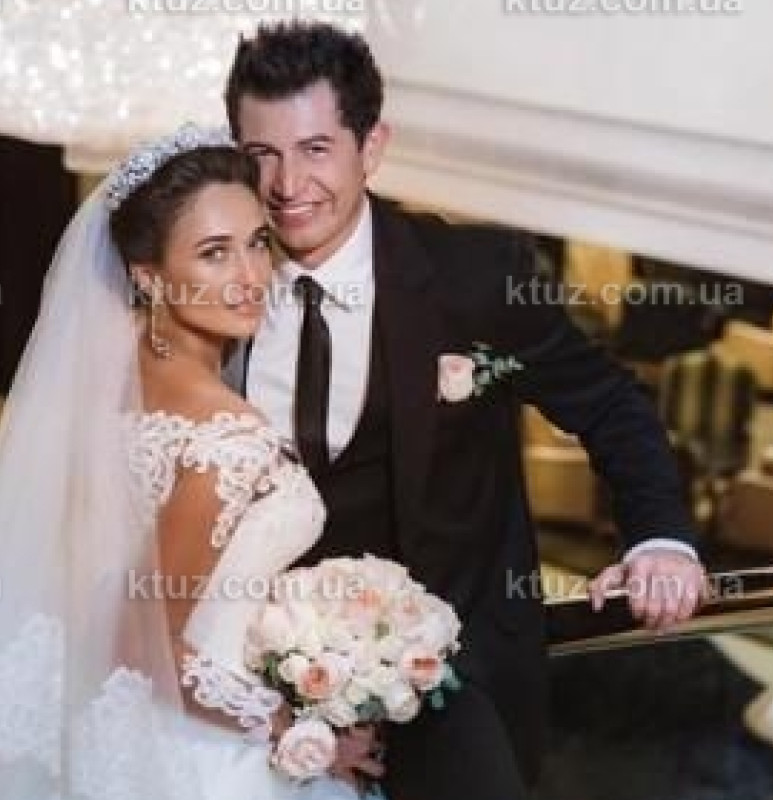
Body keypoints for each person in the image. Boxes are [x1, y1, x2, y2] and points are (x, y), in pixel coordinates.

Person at [223, 21, 711, 800]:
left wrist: (661, 540)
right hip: (262, 673)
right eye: (262, 154)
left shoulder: (475, 276)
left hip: (452, 669)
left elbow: (609, 402)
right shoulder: (212, 288)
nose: (287, 184)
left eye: (315, 149)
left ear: (371, 146)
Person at [0, 125, 378, 800]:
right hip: (197, 752)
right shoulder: (229, 439)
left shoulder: (102, 382)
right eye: (214, 253)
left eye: (258, 242)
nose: (250, 276)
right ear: (148, 275)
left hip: (102, 724)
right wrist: (293, 727)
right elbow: (142, 644)